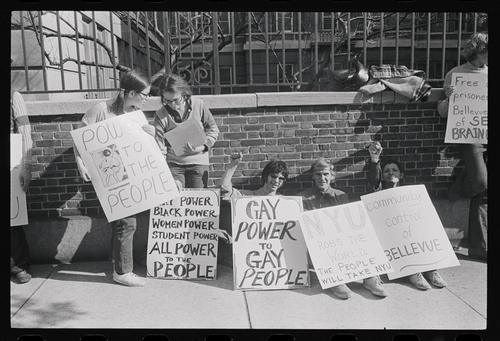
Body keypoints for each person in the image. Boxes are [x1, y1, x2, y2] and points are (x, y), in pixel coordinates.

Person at [74, 69, 154, 287]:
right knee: (127, 223)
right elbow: (79, 137)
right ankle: (122, 271)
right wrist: (80, 163)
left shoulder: (137, 114)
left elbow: (142, 147)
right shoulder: (101, 109)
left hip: (130, 175)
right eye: (144, 94)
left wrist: (151, 136)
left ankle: (117, 263)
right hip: (108, 174)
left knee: (122, 223)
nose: (147, 99)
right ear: (129, 92)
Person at [298, 157, 388, 299]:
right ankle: (335, 279)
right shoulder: (303, 198)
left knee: (361, 236)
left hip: (339, 241)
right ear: (313, 176)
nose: (322, 178)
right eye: (318, 174)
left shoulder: (340, 196)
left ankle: (370, 278)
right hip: (319, 244)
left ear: (332, 176)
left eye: (325, 174)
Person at [367, 141, 447, 290]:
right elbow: (373, 180)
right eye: (386, 171)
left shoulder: (410, 195)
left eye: (395, 170)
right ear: (382, 177)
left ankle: (430, 269)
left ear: (401, 175)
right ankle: (412, 272)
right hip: (388, 236)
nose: (391, 173)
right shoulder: (377, 193)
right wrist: (375, 160)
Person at [437, 32, 488, 261]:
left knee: (486, 191)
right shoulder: (456, 74)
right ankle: (461, 184)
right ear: (478, 50)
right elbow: (443, 113)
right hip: (472, 134)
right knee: (479, 182)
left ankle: (480, 247)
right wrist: (449, 98)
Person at [154, 73, 219, 189]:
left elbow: (213, 129)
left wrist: (203, 147)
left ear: (184, 95)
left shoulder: (199, 105)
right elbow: (160, 145)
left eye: (176, 100)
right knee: (177, 202)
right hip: (174, 165)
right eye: (167, 101)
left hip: (199, 163)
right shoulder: (160, 114)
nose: (172, 105)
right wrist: (163, 171)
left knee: (198, 202)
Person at [11, 91, 33, 284]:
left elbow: (25, 131)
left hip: (10, 164)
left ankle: (19, 266)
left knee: (12, 220)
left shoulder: (13, 96)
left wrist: (27, 165)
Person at [219, 152, 288, 198]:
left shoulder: (286, 202)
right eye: (273, 176)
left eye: (281, 178)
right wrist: (233, 165)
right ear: (265, 176)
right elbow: (224, 190)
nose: (276, 181)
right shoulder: (248, 196)